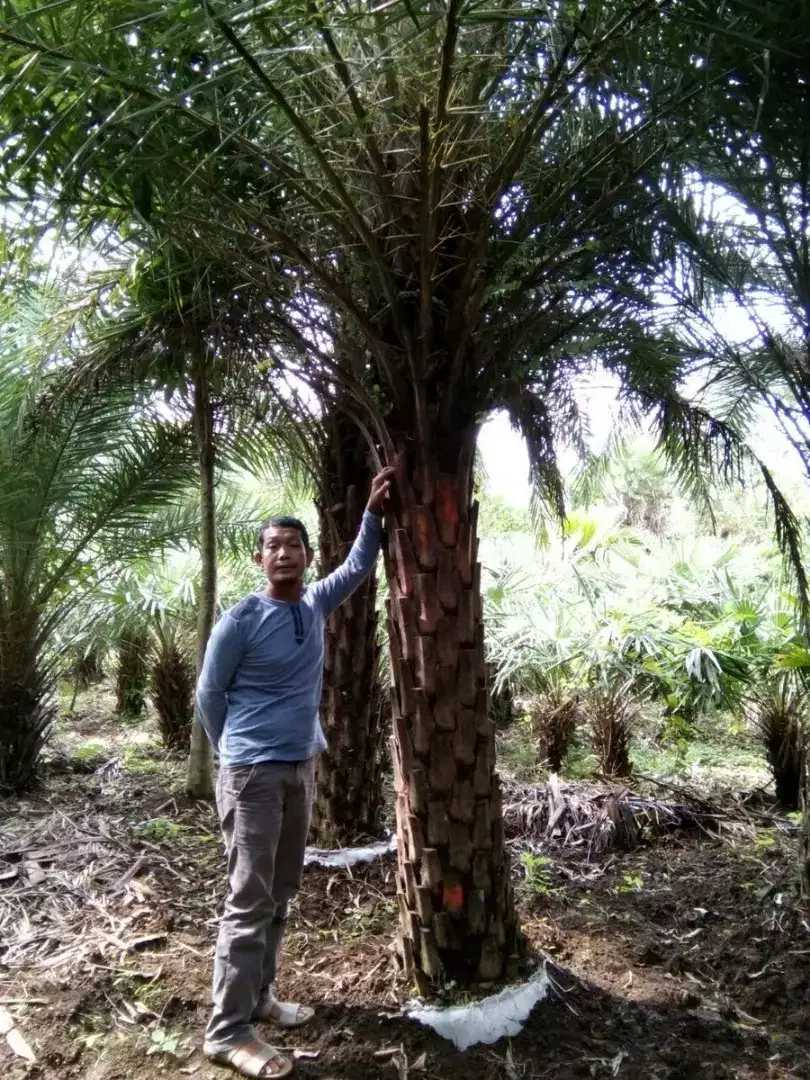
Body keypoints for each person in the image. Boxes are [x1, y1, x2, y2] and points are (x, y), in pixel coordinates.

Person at [198, 467, 395, 1079]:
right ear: (260, 559)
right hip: (253, 773)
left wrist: (373, 512)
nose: (284, 553)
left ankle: (259, 998)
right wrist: (234, 754)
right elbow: (210, 693)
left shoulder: (313, 603)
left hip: (298, 769)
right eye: (273, 546)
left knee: (280, 893)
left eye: (294, 545)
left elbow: (360, 566)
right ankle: (227, 1031)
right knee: (248, 898)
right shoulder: (240, 620)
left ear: (308, 557)